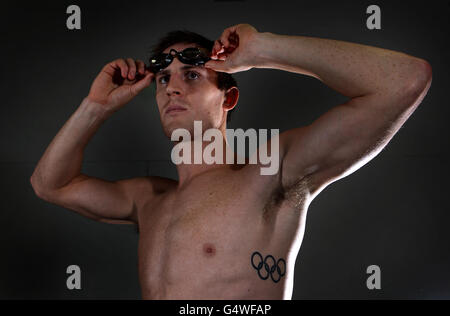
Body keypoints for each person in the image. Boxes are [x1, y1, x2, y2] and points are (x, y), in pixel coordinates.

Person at [30, 23, 432, 299]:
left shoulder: (271, 171)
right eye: (164, 79)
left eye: (191, 75)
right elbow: (50, 184)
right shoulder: (148, 199)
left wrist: (264, 48)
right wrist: (96, 107)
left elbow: (403, 80)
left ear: (229, 97)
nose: (172, 88)